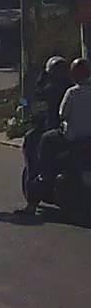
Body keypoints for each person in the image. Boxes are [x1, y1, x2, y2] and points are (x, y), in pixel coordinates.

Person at [28, 57, 91, 211]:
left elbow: (62, 114)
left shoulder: (71, 92)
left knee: (46, 139)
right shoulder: (68, 87)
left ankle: (44, 178)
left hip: (72, 137)